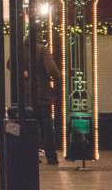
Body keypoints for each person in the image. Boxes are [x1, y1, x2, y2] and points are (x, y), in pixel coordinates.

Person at [33, 37, 62, 165]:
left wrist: (23, 72)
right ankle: (51, 157)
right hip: (42, 95)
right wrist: (56, 78)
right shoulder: (43, 50)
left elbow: (9, 64)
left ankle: (32, 155)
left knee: (30, 127)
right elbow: (52, 70)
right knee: (47, 127)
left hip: (26, 98)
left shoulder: (21, 48)